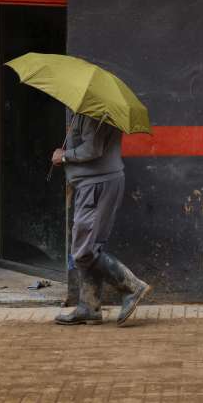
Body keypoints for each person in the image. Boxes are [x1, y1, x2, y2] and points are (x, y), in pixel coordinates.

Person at [51, 112, 151, 325]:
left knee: (83, 250)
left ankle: (132, 286)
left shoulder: (93, 114)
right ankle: (89, 307)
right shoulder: (89, 112)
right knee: (91, 246)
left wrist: (65, 155)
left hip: (96, 185)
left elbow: (92, 149)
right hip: (94, 183)